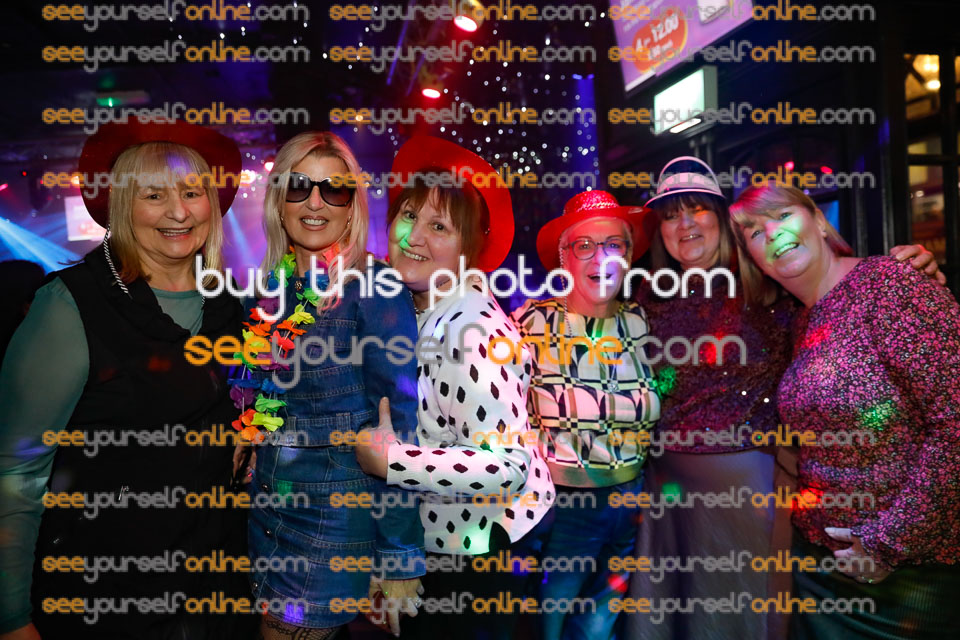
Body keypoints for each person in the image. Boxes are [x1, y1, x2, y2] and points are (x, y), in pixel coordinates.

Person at [626, 157, 943, 640]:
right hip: (667, 488)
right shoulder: (645, 299)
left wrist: (913, 270)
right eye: (670, 215)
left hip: (748, 490)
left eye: (698, 209)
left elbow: (840, 286)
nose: (685, 223)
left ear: (722, 219)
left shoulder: (768, 286)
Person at [0, 121, 253, 639]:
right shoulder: (71, 305)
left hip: (217, 599)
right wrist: (11, 617)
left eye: (191, 193)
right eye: (154, 195)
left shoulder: (229, 303)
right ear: (120, 205)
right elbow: (16, 472)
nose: (179, 212)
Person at [729, 183, 960, 639]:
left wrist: (888, 542)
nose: (772, 233)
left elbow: (954, 423)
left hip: (906, 576)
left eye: (782, 216)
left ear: (819, 221)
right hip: (823, 565)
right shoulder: (801, 319)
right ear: (754, 260)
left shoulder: (891, 285)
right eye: (754, 232)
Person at [355, 135, 555, 639]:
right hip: (444, 541)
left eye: (439, 226)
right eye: (409, 216)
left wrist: (391, 462)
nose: (414, 237)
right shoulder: (415, 307)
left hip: (481, 550)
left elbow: (507, 466)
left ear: (468, 250)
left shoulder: (473, 331)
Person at [238, 131, 425, 639]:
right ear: (279, 201)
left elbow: (397, 429)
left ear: (351, 206)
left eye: (334, 189)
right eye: (299, 187)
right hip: (268, 511)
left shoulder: (374, 287)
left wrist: (399, 556)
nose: (315, 202)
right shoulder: (267, 292)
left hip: (334, 521)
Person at [509, 189, 660, 640]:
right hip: (564, 509)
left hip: (631, 503)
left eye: (613, 244)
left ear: (629, 255)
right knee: (550, 630)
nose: (601, 258)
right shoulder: (530, 323)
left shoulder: (643, 323)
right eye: (585, 246)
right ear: (564, 258)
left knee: (599, 629)